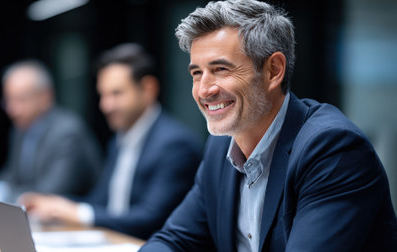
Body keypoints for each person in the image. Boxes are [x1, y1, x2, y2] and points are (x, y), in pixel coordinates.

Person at [140, 0, 397, 251]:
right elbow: (174, 239)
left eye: (220, 69)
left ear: (273, 70)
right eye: (197, 73)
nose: (204, 90)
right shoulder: (221, 146)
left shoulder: (333, 149)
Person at [19, 43, 203, 240]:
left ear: (148, 89)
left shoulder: (175, 145)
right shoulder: (119, 140)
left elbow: (151, 218)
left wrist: (74, 212)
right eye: (102, 95)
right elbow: (100, 202)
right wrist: (53, 205)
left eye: (116, 94)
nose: (105, 105)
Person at [0, 60, 102, 209]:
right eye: (8, 100)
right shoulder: (21, 130)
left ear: (45, 97)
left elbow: (49, 193)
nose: (12, 109)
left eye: (21, 100)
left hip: (78, 227)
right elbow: (12, 177)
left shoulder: (67, 132)